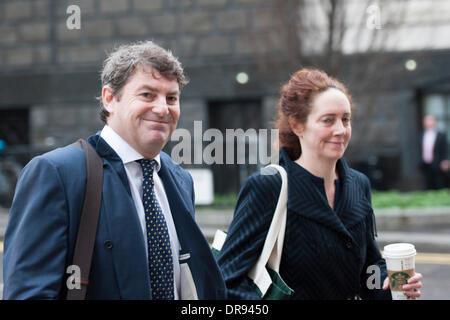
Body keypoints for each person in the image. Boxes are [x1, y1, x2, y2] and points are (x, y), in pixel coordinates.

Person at [3, 41, 226, 300]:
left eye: (171, 98)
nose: (163, 108)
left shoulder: (179, 179)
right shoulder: (57, 173)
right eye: (147, 95)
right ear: (110, 98)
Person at [217, 68, 423, 300]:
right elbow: (227, 280)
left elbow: (369, 269)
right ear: (297, 125)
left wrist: (389, 284)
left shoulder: (358, 184)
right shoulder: (268, 186)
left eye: (346, 119)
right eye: (328, 120)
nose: (341, 130)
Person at [420, 115, 448, 190]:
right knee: (428, 184)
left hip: (437, 163)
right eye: (426, 121)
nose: (428, 123)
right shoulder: (421, 135)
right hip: (425, 163)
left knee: (439, 183)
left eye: (430, 120)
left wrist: (445, 160)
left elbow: (445, 148)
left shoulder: (441, 135)